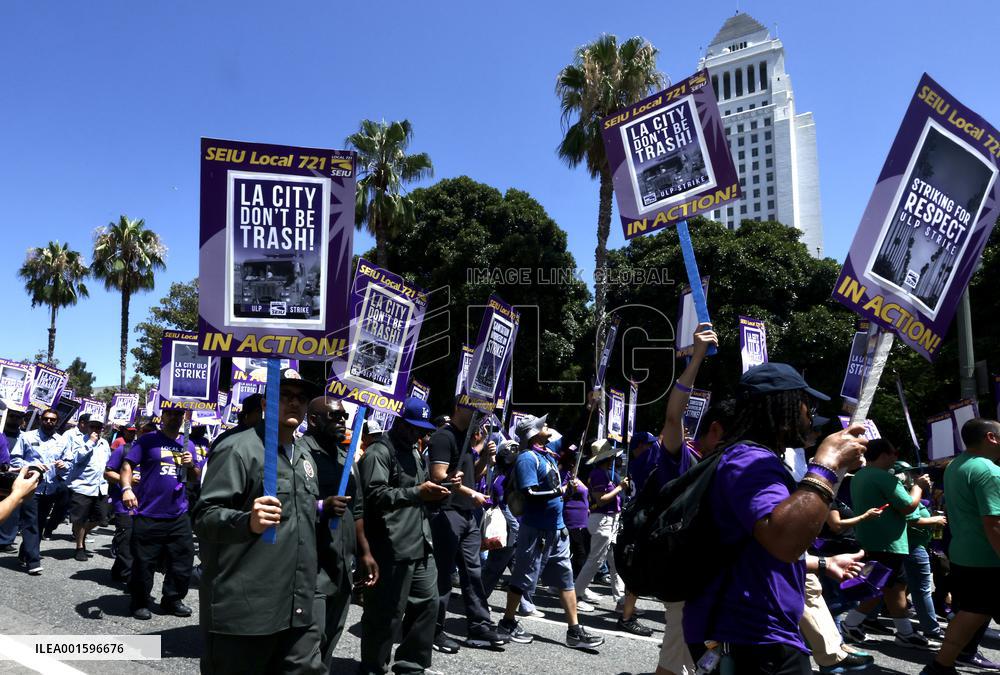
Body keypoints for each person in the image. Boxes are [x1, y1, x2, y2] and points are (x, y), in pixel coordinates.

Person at [683, 362, 868, 674]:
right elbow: (782, 541)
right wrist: (827, 463)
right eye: (806, 403)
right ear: (784, 406)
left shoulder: (751, 457)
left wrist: (825, 563)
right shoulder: (750, 460)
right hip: (749, 635)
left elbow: (758, 550)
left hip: (754, 632)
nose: (811, 414)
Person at [194, 369, 325, 675]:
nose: (295, 403)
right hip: (246, 612)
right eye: (285, 395)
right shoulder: (238, 449)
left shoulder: (305, 455)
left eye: (301, 398)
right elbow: (204, 517)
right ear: (267, 402)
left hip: (297, 608)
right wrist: (247, 522)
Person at [358, 396, 451, 675]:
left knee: (428, 604)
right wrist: (417, 492)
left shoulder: (414, 451)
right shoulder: (379, 452)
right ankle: (373, 667)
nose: (417, 433)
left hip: (420, 541)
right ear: (398, 422)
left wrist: (437, 489)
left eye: (421, 429)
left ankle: (411, 665)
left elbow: (421, 489)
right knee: (386, 612)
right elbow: (374, 495)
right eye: (412, 427)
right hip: (391, 544)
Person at [497, 413, 605, 650]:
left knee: (566, 578)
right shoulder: (527, 458)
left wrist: (589, 408)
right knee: (523, 576)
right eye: (542, 425)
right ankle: (507, 621)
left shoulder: (547, 453)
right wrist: (560, 491)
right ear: (534, 434)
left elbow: (573, 435)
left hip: (557, 530)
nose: (547, 426)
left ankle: (574, 630)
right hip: (535, 530)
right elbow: (529, 493)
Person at [298, 396, 379, 668]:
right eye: (335, 416)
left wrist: (365, 553)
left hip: (341, 565)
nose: (343, 421)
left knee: (330, 638)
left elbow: (356, 510)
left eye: (345, 416)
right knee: (310, 639)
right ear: (313, 420)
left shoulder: (347, 459)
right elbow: (287, 504)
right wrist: (321, 507)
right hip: (311, 565)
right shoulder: (299, 454)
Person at [426, 404, 507, 653]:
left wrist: (484, 457)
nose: (481, 418)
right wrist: (472, 494)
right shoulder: (444, 436)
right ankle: (433, 630)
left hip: (467, 514)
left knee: (473, 572)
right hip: (447, 512)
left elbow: (475, 473)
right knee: (442, 574)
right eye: (477, 412)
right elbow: (439, 476)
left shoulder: (467, 439)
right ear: (461, 406)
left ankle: (480, 626)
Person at [922, 418, 1000, 675]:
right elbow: (994, 523)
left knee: (970, 611)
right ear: (991, 437)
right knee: (973, 612)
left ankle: (941, 665)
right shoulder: (988, 471)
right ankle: (940, 666)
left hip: (964, 553)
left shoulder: (956, 465)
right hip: (987, 557)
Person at [840, 438, 933, 647]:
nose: (895, 457)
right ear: (883, 455)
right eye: (893, 453)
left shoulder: (860, 476)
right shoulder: (883, 478)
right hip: (888, 542)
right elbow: (908, 506)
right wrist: (918, 487)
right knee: (878, 585)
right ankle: (851, 623)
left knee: (895, 587)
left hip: (873, 539)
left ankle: (904, 632)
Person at [121, 407, 198, 620]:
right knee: (143, 563)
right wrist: (126, 489)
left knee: (182, 562)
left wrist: (191, 464)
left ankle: (172, 599)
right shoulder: (148, 441)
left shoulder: (188, 443)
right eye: (170, 413)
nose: (174, 417)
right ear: (162, 416)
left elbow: (195, 476)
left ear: (183, 418)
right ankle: (139, 602)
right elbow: (127, 465)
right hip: (149, 513)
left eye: (178, 414)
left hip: (178, 514)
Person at [9, 408, 68, 575]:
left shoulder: (61, 440)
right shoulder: (27, 437)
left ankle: (24, 553)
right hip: (30, 487)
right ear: (41, 420)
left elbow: (69, 460)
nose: (49, 422)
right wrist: (31, 467)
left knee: (39, 523)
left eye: (52, 420)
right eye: (46, 419)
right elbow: (15, 459)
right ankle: (33, 561)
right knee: (30, 522)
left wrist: (64, 465)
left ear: (57, 422)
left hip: (50, 488)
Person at [897, 461, 947, 641]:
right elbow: (911, 518)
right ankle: (931, 629)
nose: (921, 475)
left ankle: (866, 618)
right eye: (915, 473)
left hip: (913, 544)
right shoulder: (906, 494)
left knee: (897, 586)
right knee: (922, 589)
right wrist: (934, 520)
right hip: (914, 546)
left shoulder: (910, 493)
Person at [64, 415, 111, 561]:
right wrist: (90, 442)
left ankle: (81, 534)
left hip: (100, 486)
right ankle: (79, 546)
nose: (95, 430)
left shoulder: (104, 443)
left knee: (102, 518)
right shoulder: (79, 441)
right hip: (82, 486)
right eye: (92, 426)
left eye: (98, 427)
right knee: (80, 518)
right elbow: (77, 458)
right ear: (87, 427)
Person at [105, 426, 141, 585]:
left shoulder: (155, 452)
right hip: (123, 503)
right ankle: (128, 575)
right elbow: (107, 473)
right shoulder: (124, 450)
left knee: (137, 540)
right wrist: (126, 481)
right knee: (126, 538)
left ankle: (119, 570)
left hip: (146, 505)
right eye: (145, 432)